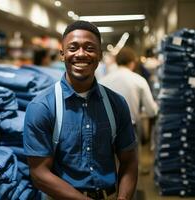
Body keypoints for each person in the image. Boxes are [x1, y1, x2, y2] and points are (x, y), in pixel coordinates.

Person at [23, 21, 138, 200]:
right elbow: (39, 173)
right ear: (62, 54)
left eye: (90, 48)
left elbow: (129, 160)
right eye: (73, 48)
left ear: (99, 55)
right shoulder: (42, 107)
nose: (81, 54)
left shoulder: (116, 104)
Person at [99, 47, 158, 130]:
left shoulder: (102, 82)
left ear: (116, 62)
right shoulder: (139, 80)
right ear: (132, 63)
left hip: (106, 130)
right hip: (130, 130)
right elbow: (151, 111)